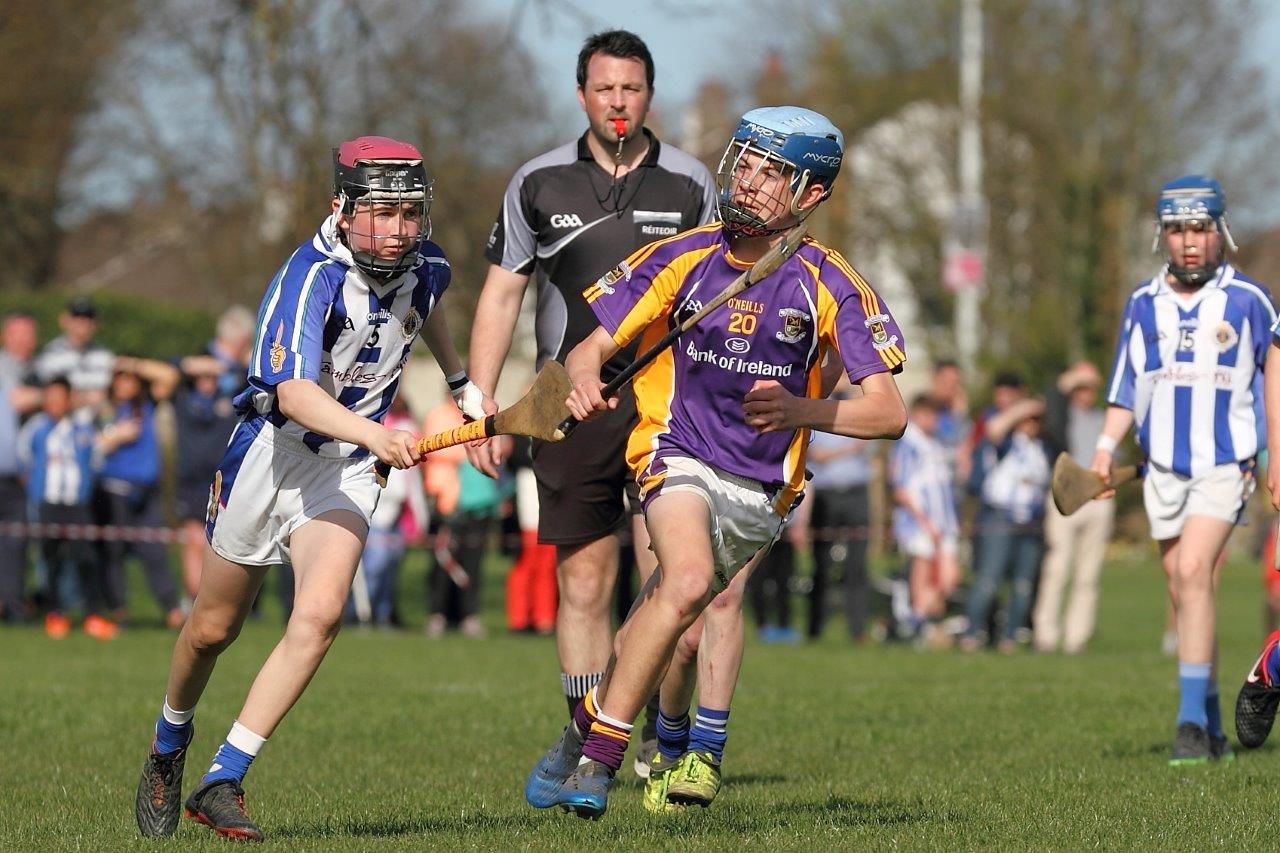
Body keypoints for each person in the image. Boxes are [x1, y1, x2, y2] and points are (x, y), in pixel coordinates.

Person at [525, 105, 907, 818]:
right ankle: (603, 761)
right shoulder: (682, 255)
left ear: (812, 195)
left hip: (762, 486)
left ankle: (584, 728)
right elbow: (590, 347)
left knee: (676, 611)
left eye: (775, 173)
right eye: (748, 163)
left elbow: (889, 412)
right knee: (691, 581)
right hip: (674, 448)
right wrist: (580, 377)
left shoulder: (831, 282)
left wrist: (804, 411)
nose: (753, 182)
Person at [132, 135, 483, 841]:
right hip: (272, 456)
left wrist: (461, 384)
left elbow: (431, 305)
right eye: (381, 212)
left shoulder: (428, 265)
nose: (398, 228)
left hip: (345, 469)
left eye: (409, 212)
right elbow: (291, 392)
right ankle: (168, 748)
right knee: (211, 629)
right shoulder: (309, 274)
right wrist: (375, 433)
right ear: (342, 206)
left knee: (320, 616)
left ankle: (224, 777)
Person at [465, 29, 717, 765]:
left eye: (631, 89)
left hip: (670, 409)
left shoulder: (691, 183)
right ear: (582, 94)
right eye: (604, 88)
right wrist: (481, 402)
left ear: (649, 96)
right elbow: (501, 295)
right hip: (565, 409)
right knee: (583, 579)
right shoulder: (536, 182)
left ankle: (661, 736)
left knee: (678, 592)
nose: (617, 102)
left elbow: (713, 299)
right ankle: (587, 737)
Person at [1094, 175, 1272, 765]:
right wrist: (1103, 449)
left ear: (1220, 232)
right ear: (1161, 236)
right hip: (1162, 468)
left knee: (1195, 571)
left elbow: (1276, 381)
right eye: (1177, 230)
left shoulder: (1250, 300)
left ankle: (1191, 724)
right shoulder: (1143, 304)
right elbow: (1125, 388)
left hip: (1227, 464)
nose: (1189, 242)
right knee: (1184, 588)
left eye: (1199, 229)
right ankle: (1216, 723)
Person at [18, 377, 116, 639]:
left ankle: (92, 614)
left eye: (60, 397)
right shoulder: (36, 428)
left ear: (69, 400)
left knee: (85, 558)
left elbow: (95, 460)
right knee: (51, 559)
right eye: (50, 398)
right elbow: (23, 456)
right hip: (48, 503)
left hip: (77, 505)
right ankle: (54, 613)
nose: (55, 403)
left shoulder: (82, 429)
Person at [173, 306, 254, 602]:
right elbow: (169, 369)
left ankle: (215, 599)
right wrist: (199, 366)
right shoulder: (200, 360)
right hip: (195, 469)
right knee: (195, 538)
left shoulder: (242, 371)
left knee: (223, 539)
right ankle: (194, 599)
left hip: (229, 467)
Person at [96, 357, 183, 629]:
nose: (125, 383)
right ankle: (118, 612)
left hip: (147, 491)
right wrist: (116, 436)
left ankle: (172, 610)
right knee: (114, 553)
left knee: (155, 552)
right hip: (114, 490)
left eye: (129, 378)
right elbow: (93, 445)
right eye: (120, 378)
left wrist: (129, 363)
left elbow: (169, 376)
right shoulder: (105, 410)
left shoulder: (147, 405)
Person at [1033, 361, 1114, 653]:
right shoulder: (1060, 416)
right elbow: (1050, 398)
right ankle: (1046, 633)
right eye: (1080, 388)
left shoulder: (1105, 420)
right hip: (1064, 497)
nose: (1085, 394)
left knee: (1088, 574)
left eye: (1090, 388)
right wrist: (1071, 378)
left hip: (1097, 500)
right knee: (1057, 568)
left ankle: (1076, 637)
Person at [960, 398, 1051, 652]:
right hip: (999, 518)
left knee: (1023, 585)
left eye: (1036, 420)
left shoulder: (1042, 448)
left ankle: (1010, 637)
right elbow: (993, 428)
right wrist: (1024, 407)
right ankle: (972, 632)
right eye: (1028, 420)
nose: (1032, 425)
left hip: (1029, 522)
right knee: (989, 580)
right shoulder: (1007, 442)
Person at [805, 384, 876, 642]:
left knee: (857, 566)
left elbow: (870, 442)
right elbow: (815, 453)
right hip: (827, 495)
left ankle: (858, 630)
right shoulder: (815, 402)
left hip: (857, 493)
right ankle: (814, 630)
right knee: (821, 565)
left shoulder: (861, 406)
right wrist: (847, 451)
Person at [891, 395, 961, 643]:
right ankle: (915, 625)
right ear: (918, 413)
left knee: (949, 578)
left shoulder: (935, 443)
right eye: (930, 415)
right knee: (922, 576)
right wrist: (924, 521)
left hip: (943, 522)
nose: (935, 421)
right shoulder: (908, 444)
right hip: (919, 523)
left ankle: (916, 621)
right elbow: (901, 489)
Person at [35, 297, 115, 410]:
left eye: (88, 317)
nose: (83, 322)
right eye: (77, 317)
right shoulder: (50, 355)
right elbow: (51, 397)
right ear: (64, 320)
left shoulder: (104, 355)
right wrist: (86, 398)